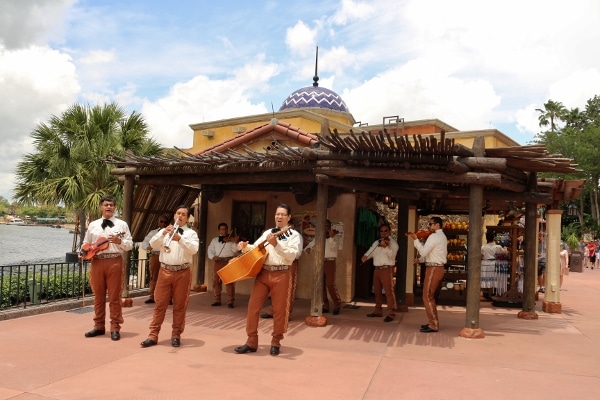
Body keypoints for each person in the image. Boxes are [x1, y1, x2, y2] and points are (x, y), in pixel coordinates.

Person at [234, 203, 302, 356]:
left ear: (289, 217)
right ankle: (251, 341)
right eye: (277, 214)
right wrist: (244, 246)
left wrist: (276, 245)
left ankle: (276, 342)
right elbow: (256, 248)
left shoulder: (295, 236)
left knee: (279, 310)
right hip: (263, 273)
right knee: (253, 307)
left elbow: (292, 255)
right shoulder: (268, 233)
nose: (279, 216)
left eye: (283, 214)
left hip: (282, 273)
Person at [140, 205, 199, 348]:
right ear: (174, 215)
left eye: (183, 214)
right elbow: (152, 244)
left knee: (179, 305)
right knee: (160, 304)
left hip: (183, 272)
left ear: (187, 218)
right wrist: (162, 233)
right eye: (178, 213)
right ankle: (153, 335)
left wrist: (180, 239)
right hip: (165, 271)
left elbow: (194, 250)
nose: (180, 216)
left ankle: (176, 335)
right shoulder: (164, 231)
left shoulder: (191, 234)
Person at [82, 195, 133, 341]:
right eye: (106, 205)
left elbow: (129, 245)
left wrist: (119, 241)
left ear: (115, 207)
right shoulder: (93, 224)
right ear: (101, 207)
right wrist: (85, 251)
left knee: (114, 296)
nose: (108, 207)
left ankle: (115, 328)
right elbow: (86, 243)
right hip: (97, 261)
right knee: (98, 296)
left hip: (114, 261)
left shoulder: (122, 225)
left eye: (111, 205)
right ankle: (98, 326)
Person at [407, 216, 447, 333]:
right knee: (429, 296)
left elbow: (424, 252)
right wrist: (420, 260)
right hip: (435, 267)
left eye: (430, 224)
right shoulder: (441, 236)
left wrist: (415, 239)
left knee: (427, 296)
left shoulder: (434, 236)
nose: (428, 226)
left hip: (434, 268)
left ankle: (433, 324)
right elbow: (434, 255)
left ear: (437, 225)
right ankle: (432, 322)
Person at [361, 222, 398, 322]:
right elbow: (371, 251)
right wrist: (365, 256)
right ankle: (378, 311)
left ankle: (391, 313)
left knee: (389, 292)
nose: (383, 233)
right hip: (377, 269)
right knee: (377, 291)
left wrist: (385, 247)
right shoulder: (377, 242)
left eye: (386, 231)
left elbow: (392, 257)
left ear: (389, 231)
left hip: (387, 269)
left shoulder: (393, 244)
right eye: (381, 231)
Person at [305, 220, 342, 314]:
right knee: (321, 284)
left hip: (330, 262)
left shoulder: (336, 237)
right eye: (323, 225)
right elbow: (310, 246)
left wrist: (332, 237)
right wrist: (308, 249)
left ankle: (337, 303)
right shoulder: (319, 237)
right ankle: (325, 305)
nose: (325, 227)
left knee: (330, 283)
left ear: (329, 226)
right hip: (320, 262)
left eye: (326, 225)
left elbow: (338, 247)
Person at [207, 222, 239, 308]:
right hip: (218, 262)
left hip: (228, 261)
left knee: (229, 282)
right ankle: (217, 300)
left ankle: (230, 301)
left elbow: (234, 251)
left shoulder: (231, 239)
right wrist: (213, 257)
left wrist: (235, 242)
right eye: (222, 229)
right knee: (216, 281)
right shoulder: (214, 240)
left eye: (225, 229)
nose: (224, 231)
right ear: (219, 230)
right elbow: (210, 249)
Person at [141, 215, 170, 304]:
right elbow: (145, 242)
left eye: (165, 222)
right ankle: (152, 296)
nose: (163, 224)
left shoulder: (171, 234)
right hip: (156, 255)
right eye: (161, 221)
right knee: (154, 276)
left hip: (167, 256)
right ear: (158, 222)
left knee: (168, 277)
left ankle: (168, 298)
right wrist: (148, 247)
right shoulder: (153, 233)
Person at [481, 230, 503, 300]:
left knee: (485, 278)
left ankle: (486, 292)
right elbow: (503, 253)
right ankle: (492, 293)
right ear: (494, 238)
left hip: (485, 263)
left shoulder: (483, 247)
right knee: (493, 278)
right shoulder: (498, 247)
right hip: (494, 263)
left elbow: (481, 256)